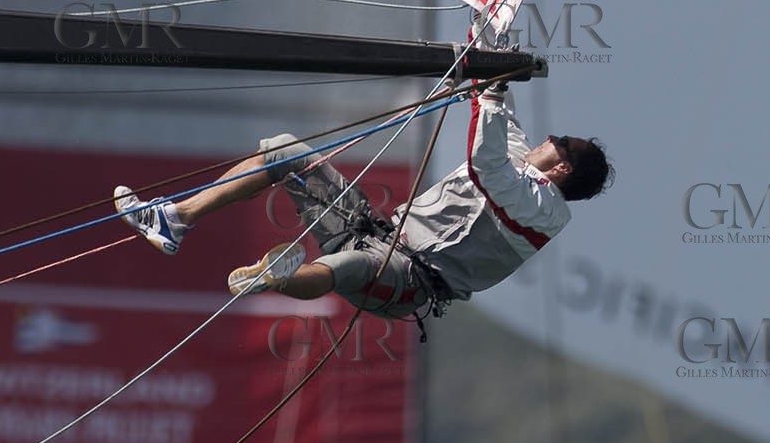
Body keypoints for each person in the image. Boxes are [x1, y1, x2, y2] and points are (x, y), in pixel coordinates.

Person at [112, 81, 612, 326]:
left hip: (411, 282)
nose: (549, 136)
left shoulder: (545, 211)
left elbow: (487, 164)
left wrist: (491, 101)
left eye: (560, 139)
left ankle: (276, 278)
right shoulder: (526, 162)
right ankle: (173, 219)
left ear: (562, 167)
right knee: (285, 149)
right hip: (377, 229)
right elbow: (498, 116)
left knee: (348, 265)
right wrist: (492, 42)